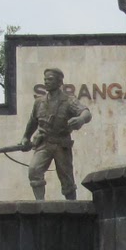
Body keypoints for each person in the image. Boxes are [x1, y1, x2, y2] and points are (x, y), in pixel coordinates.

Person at [19, 68, 92, 200]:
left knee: (67, 180)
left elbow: (86, 112)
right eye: (45, 79)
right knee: (34, 171)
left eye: (50, 79)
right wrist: (25, 137)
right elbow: (32, 122)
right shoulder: (39, 102)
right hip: (44, 144)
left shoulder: (69, 101)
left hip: (61, 144)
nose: (47, 82)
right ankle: (40, 204)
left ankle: (73, 207)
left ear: (59, 82)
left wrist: (81, 119)